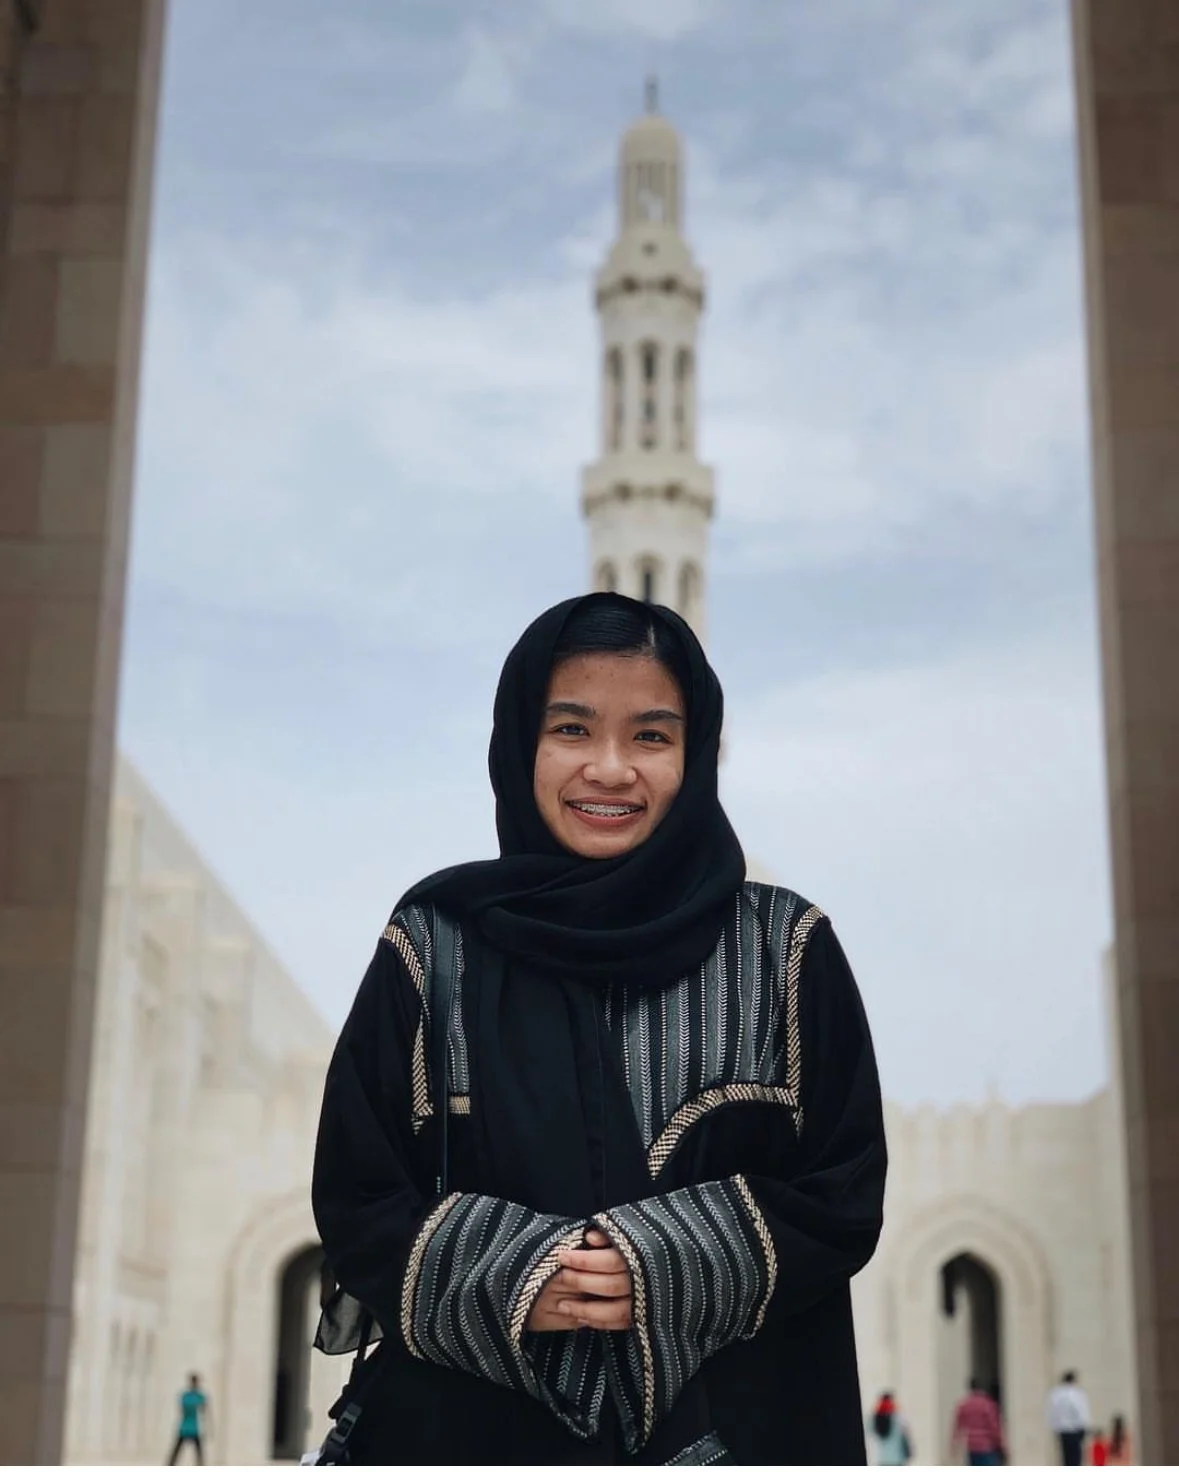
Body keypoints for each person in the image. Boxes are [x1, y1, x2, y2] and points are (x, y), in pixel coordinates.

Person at [311, 592, 888, 1465]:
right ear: (518, 743)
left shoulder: (782, 949)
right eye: (572, 730)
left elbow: (843, 1191)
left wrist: (662, 1260)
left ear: (694, 755)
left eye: (651, 736)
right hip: (470, 1435)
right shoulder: (435, 944)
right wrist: (520, 1275)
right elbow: (359, 1193)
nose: (610, 769)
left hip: (741, 1426)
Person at [950, 1378, 1006, 1466]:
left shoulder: (964, 1405)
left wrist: (954, 1444)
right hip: (987, 1446)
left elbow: (958, 1426)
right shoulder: (988, 1404)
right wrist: (1001, 1445)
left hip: (971, 1446)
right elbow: (994, 1427)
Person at [1048, 1370, 1091, 1465]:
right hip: (1075, 1429)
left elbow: (1052, 1413)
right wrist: (1084, 1425)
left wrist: (1054, 1427)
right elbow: (1080, 1410)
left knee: (1066, 1457)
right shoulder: (1076, 1393)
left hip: (1062, 1430)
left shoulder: (1056, 1394)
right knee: (1075, 1458)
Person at [167, 1373, 207, 1465]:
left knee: (179, 1451)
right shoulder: (198, 1396)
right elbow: (203, 1409)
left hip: (188, 1426)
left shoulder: (186, 1396)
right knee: (197, 1452)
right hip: (190, 1426)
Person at [869, 1390, 913, 1465]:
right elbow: (906, 1431)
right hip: (897, 1459)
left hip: (882, 1459)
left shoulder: (874, 1419)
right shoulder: (898, 1417)